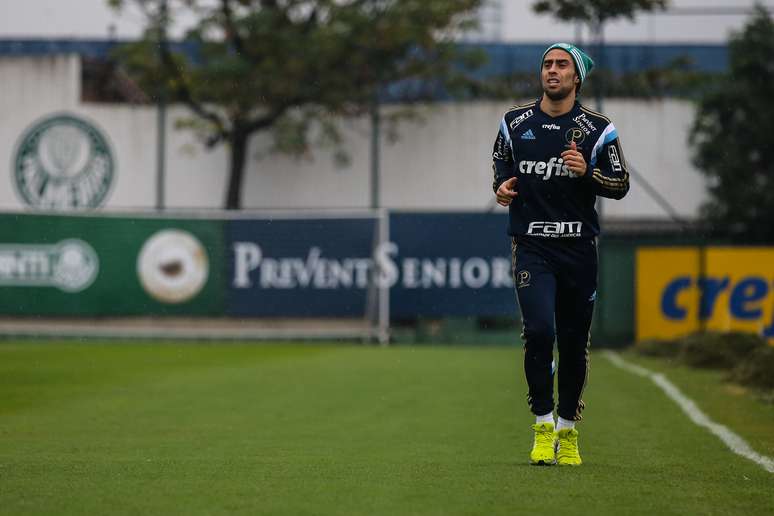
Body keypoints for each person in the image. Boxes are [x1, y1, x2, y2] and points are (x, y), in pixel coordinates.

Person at [491, 43, 630, 466]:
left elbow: (620, 184)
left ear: (576, 77)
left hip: (578, 249)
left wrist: (588, 173)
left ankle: (568, 431)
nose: (552, 71)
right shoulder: (514, 122)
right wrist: (501, 187)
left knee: (572, 344)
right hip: (531, 245)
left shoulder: (598, 128)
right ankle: (542, 422)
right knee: (538, 332)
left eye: (561, 65)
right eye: (547, 64)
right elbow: (502, 167)